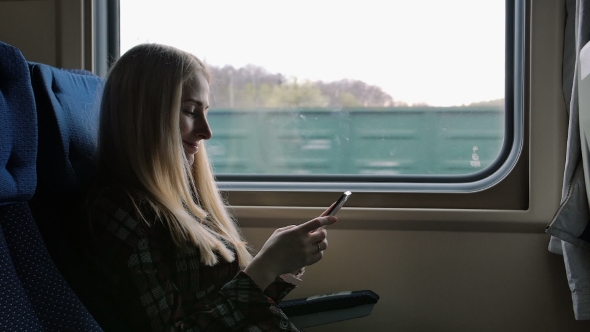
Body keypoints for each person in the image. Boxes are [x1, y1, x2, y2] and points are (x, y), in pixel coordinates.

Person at [85, 43, 337, 331]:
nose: (207, 131)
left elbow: (229, 305)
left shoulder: (183, 198)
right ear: (146, 116)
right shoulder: (123, 213)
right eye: (191, 111)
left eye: (205, 111)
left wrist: (282, 265)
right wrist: (264, 267)